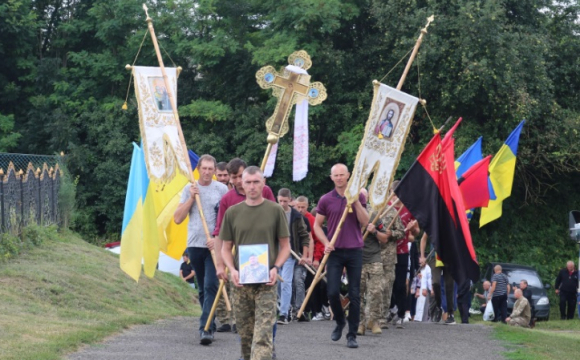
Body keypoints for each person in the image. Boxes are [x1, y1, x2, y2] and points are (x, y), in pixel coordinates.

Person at [220, 166, 290, 360]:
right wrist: (231, 269)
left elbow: (285, 246)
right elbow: (225, 248)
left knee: (263, 335)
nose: (252, 186)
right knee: (246, 337)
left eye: (256, 182)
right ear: (241, 183)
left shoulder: (275, 210)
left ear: (263, 183)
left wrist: (276, 268)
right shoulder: (233, 213)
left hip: (266, 282)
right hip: (241, 284)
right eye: (248, 182)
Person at [213, 158, 277, 334]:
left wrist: (277, 262)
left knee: (266, 309)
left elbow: (276, 223)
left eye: (242, 176)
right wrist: (220, 265)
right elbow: (220, 234)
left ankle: (268, 345)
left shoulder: (266, 192)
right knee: (245, 312)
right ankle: (247, 349)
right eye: (235, 177)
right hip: (240, 261)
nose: (238, 181)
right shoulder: (227, 199)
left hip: (266, 259)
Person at [313, 163, 369, 349]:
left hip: (354, 250)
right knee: (332, 291)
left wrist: (354, 202)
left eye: (342, 175)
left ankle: (352, 335)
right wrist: (326, 242)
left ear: (348, 176)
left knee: (354, 294)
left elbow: (365, 221)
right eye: (335, 175)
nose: (339, 178)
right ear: (331, 177)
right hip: (335, 251)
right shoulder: (326, 200)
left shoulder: (358, 195)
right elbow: (316, 226)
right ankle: (339, 321)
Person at [174, 154, 228, 345]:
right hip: (194, 244)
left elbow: (227, 218)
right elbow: (178, 218)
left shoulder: (221, 189)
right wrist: (191, 197)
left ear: (214, 171)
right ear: (198, 169)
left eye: (210, 169)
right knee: (203, 289)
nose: (206, 172)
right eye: (203, 168)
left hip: (215, 245)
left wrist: (217, 238)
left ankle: (205, 328)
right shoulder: (189, 189)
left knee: (211, 284)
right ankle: (210, 322)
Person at [276, 188, 311, 324]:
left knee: (286, 281)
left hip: (290, 253)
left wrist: (305, 254)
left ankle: (283, 314)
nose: (283, 204)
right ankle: (287, 306)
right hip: (275, 254)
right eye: (280, 201)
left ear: (290, 201)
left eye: (285, 201)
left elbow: (305, 235)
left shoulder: (296, 216)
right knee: (277, 282)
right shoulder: (273, 212)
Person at [358, 189, 387, 335]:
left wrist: (375, 231)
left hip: (374, 258)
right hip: (356, 260)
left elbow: (385, 238)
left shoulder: (374, 215)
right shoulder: (348, 214)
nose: (361, 197)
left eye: (363, 195)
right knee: (357, 293)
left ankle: (373, 321)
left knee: (376, 291)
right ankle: (360, 323)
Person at [390, 188, 420, 328]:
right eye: (393, 193)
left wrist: (413, 228)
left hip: (402, 251)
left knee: (401, 284)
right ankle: (390, 309)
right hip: (387, 251)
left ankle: (401, 314)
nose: (395, 197)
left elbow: (416, 232)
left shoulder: (408, 208)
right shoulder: (386, 208)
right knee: (387, 282)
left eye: (397, 194)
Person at [291, 196, 315, 321]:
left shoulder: (305, 220)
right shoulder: (289, 217)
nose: (300, 210)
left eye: (303, 207)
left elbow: (309, 239)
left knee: (299, 281)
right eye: (298, 207)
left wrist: (308, 257)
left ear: (307, 206)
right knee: (287, 283)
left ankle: (299, 310)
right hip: (289, 255)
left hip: (301, 256)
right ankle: (289, 308)